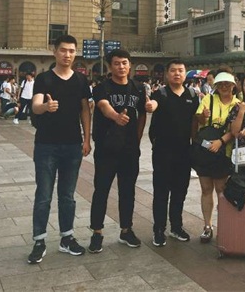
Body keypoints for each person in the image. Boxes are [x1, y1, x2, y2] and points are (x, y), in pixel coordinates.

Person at [27, 34, 92, 264]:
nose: (67, 55)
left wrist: (87, 139)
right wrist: (45, 106)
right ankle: (39, 241)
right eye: (63, 50)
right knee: (43, 195)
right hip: (46, 145)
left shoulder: (81, 80)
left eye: (72, 51)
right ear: (54, 51)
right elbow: (35, 106)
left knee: (67, 195)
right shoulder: (44, 79)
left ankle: (67, 238)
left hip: (73, 145)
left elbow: (85, 110)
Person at [88, 49, 152, 253]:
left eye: (124, 63)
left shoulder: (138, 88)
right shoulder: (101, 87)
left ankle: (126, 230)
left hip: (129, 150)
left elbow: (142, 114)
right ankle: (97, 232)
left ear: (130, 64)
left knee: (128, 190)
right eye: (117, 63)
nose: (121, 67)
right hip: (106, 149)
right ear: (110, 66)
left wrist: (138, 138)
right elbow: (103, 105)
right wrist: (115, 116)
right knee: (101, 190)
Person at [149, 60, 200, 247]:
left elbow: (196, 121)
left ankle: (176, 227)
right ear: (167, 74)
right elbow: (153, 104)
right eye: (173, 70)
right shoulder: (160, 94)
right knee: (161, 192)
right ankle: (159, 229)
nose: (177, 74)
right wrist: (151, 106)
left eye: (180, 70)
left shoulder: (192, 95)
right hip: (162, 152)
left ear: (185, 74)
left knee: (180, 192)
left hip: (184, 152)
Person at [194, 71, 239, 243]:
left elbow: (235, 130)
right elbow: (199, 119)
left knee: (221, 190)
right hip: (205, 151)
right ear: (216, 86)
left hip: (224, 152)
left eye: (228, 84)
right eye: (221, 84)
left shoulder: (238, 104)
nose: (224, 87)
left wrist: (221, 142)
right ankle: (207, 226)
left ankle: (224, 226)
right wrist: (203, 116)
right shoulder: (209, 99)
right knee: (206, 189)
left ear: (233, 86)